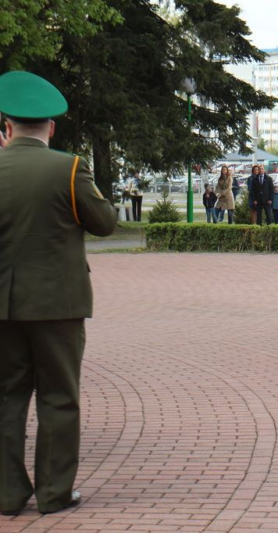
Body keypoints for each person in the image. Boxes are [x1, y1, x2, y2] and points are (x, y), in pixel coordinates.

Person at [0, 71, 118, 515]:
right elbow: (105, 223)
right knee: (58, 398)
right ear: (51, 126)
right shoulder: (68, 167)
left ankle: (8, 494)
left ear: (5, 125)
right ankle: (53, 494)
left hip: (2, 305)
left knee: (7, 397)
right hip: (57, 304)